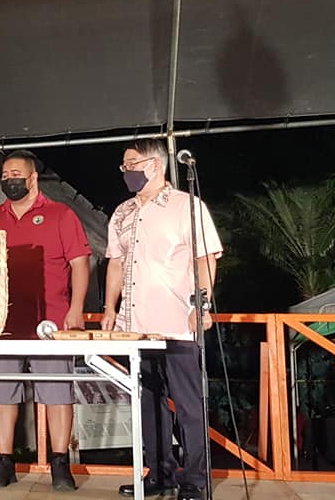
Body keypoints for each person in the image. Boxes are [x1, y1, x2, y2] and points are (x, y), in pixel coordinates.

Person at [103, 139, 222, 500]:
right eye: (123, 166)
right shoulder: (122, 212)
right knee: (147, 403)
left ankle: (196, 480)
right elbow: (115, 261)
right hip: (136, 326)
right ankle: (159, 473)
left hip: (176, 322)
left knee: (187, 404)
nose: (127, 172)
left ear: (155, 165)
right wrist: (109, 308)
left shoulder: (187, 206)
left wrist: (199, 305)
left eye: (132, 164)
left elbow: (206, 258)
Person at [0, 150, 91, 492]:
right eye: (4, 174)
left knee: (57, 392)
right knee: (1, 392)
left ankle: (59, 463)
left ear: (32, 178)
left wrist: (77, 310)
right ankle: (3, 461)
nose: (8, 179)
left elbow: (80, 263)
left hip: (52, 321)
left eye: (15, 173)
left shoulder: (61, 214)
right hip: (1, 323)